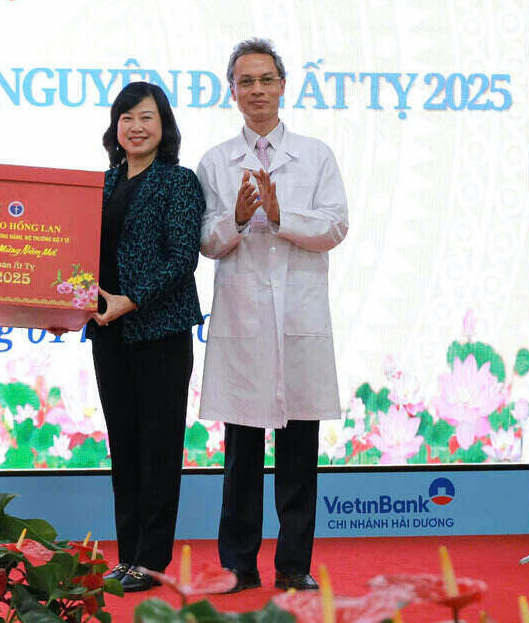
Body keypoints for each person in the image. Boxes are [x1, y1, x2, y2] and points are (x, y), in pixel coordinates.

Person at [197, 38, 349, 593]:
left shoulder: (315, 155)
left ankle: (294, 565)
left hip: (299, 318)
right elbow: (207, 242)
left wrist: (282, 216)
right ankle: (238, 565)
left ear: (283, 85)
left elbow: (334, 227)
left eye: (266, 80)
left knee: (299, 450)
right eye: (245, 81)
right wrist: (236, 219)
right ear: (231, 91)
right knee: (240, 456)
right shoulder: (215, 161)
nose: (256, 90)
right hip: (243, 321)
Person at [87, 81, 205, 592]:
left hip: (159, 332)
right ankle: (127, 554)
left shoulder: (178, 182)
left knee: (157, 449)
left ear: (165, 127)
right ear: (116, 127)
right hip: (108, 334)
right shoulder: (101, 184)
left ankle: (150, 561)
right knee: (125, 447)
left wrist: (129, 300)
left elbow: (182, 258)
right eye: (127, 117)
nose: (136, 127)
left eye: (147, 117)